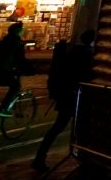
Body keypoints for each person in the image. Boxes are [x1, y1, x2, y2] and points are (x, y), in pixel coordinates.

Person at [32, 29, 95, 172]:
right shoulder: (89, 54)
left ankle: (40, 157)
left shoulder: (72, 52)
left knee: (57, 127)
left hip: (66, 95)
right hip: (78, 96)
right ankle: (84, 159)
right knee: (83, 129)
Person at [0, 21, 33, 115]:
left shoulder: (1, 42)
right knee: (16, 86)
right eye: (21, 31)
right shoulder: (17, 43)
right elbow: (21, 60)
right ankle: (4, 109)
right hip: (1, 71)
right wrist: (30, 70)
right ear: (18, 32)